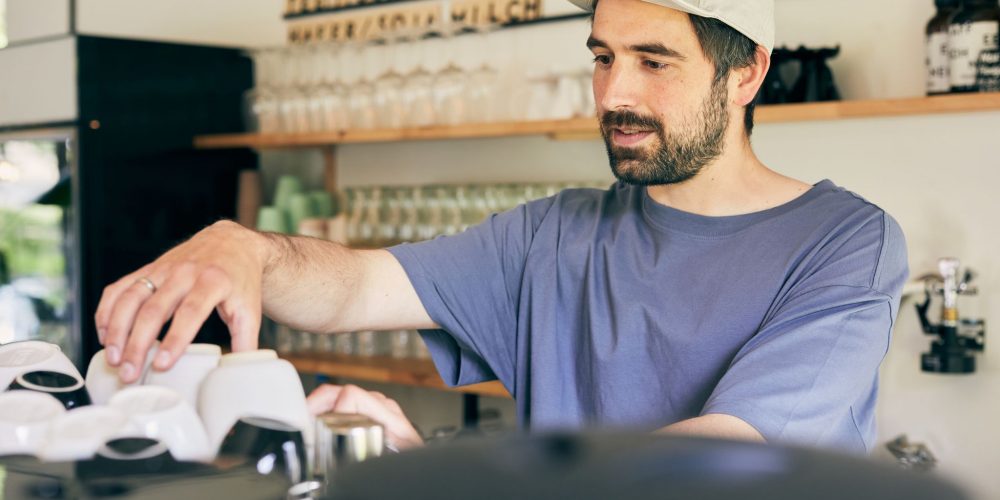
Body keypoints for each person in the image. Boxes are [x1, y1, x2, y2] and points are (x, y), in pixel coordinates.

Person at [94, 0, 908, 453]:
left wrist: (440, 474)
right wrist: (247, 249)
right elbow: (354, 288)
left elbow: (716, 458)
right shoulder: (552, 235)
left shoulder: (844, 244)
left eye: (653, 62)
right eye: (601, 57)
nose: (614, 93)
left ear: (747, 74)